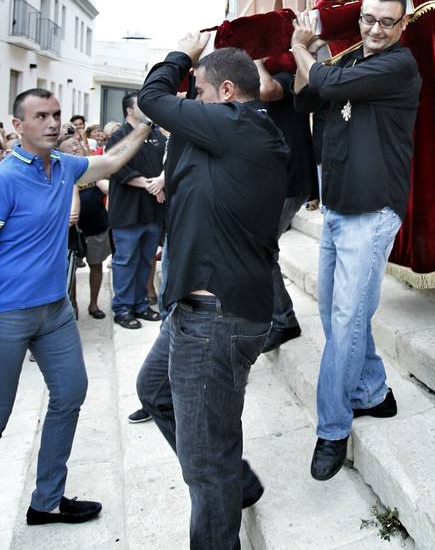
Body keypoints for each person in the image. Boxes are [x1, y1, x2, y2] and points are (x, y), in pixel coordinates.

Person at [135, 39, 288, 550]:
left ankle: (225, 487)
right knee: (154, 391)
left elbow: (152, 99)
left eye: (196, 91)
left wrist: (178, 56)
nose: (191, 100)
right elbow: (193, 160)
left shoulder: (241, 125)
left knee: (206, 464)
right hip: (195, 310)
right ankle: (236, 482)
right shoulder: (229, 135)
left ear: (225, 92)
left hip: (216, 319)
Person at [0, 87, 156, 526]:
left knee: (70, 394)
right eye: (40, 116)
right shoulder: (6, 179)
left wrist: (144, 125)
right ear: (18, 126)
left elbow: (109, 162)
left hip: (55, 313)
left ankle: (47, 499)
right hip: (7, 315)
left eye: (56, 115)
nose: (52, 123)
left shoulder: (64, 167)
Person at [291, 0, 421, 481]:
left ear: (402, 25)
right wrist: (316, 60)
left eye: (388, 21)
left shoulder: (399, 65)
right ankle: (372, 392)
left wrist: (304, 49)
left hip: (373, 212)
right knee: (335, 312)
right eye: (369, 19)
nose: (376, 29)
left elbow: (328, 86)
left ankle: (332, 429)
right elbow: (307, 101)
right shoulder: (348, 63)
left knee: (345, 320)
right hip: (338, 209)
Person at [255, 59, 317, 351]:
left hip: (289, 180)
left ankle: (283, 320)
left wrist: (254, 59)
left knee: (260, 248)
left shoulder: (284, 73)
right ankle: (276, 315)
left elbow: (267, 90)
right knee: (261, 248)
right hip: (274, 181)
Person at [106, 92, 167, 329]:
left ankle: (141, 305)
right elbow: (118, 170)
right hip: (128, 213)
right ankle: (123, 308)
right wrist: (152, 185)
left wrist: (160, 183)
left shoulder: (155, 136)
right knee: (125, 261)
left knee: (146, 260)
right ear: (130, 110)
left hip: (153, 211)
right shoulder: (118, 137)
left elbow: (166, 164)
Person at [58, 133, 111, 319]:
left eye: (75, 144)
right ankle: (72, 305)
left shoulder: (93, 165)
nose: (74, 148)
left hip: (97, 224)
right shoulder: (61, 170)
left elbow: (107, 185)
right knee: (70, 269)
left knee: (96, 265)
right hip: (71, 229)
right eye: (68, 148)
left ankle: (94, 304)